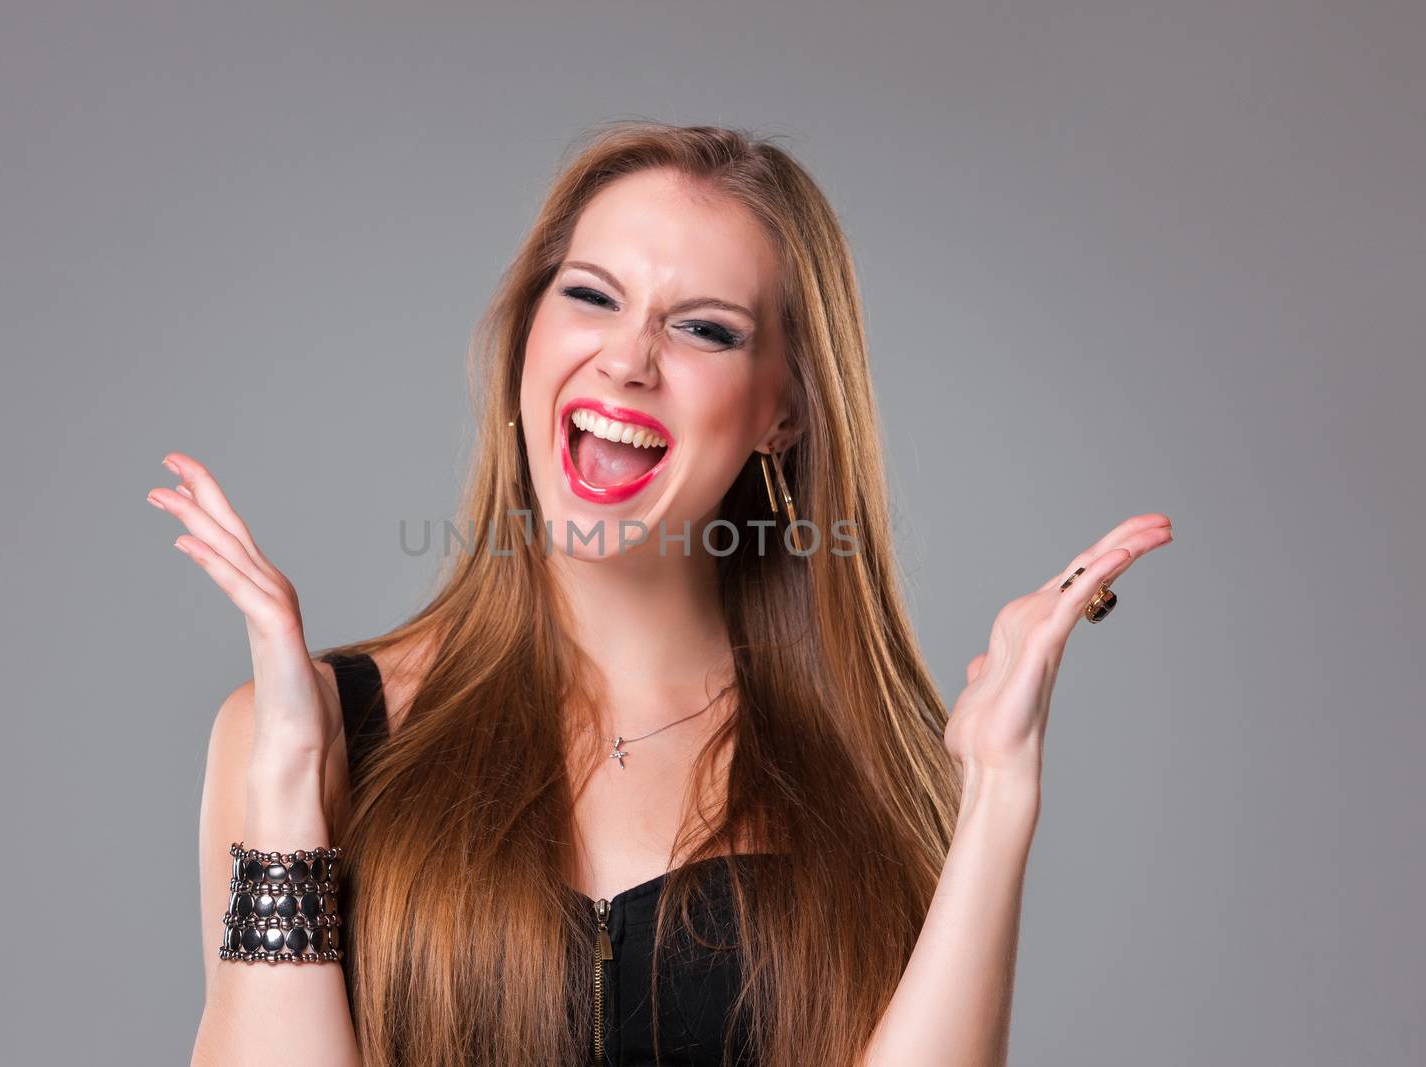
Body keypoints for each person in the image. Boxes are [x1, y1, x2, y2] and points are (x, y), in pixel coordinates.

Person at [149, 120, 1174, 1067]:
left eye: (705, 330)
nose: (628, 358)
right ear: (525, 344)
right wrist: (288, 777)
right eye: (591, 296)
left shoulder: (875, 759)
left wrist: (996, 794)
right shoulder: (307, 732)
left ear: (783, 409)